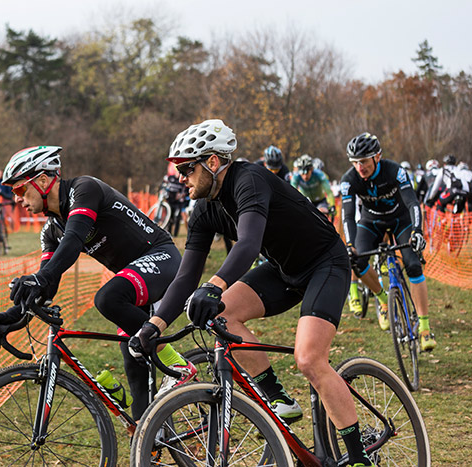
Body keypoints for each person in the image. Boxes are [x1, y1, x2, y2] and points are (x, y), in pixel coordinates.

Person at [128, 119, 376, 467]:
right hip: (283, 268)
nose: (181, 177)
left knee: (308, 359)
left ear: (213, 162)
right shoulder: (202, 210)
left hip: (325, 262)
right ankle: (278, 397)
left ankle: (359, 458)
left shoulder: (250, 180)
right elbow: (186, 276)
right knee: (221, 313)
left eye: (187, 168)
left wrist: (214, 286)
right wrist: (152, 327)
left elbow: (248, 244)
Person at [0, 146, 194, 421]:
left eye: (21, 190)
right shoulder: (51, 230)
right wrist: (11, 317)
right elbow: (48, 282)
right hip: (134, 276)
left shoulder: (84, 189)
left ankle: (179, 365)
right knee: (134, 363)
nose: (18, 199)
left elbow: (74, 240)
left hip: (160, 257)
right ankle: (149, 445)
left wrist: (40, 278)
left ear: (44, 180)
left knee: (108, 299)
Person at [341, 132, 436, 352]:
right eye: (354, 162)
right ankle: (383, 300)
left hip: (400, 220)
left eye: (363, 161)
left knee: (413, 265)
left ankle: (424, 327)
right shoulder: (349, 179)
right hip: (370, 222)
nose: (359, 167)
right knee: (357, 260)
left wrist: (418, 231)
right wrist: (349, 244)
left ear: (377, 156)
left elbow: (413, 203)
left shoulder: (395, 171)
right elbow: (347, 215)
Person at [290, 154, 336, 219]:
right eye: (302, 173)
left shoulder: (319, 174)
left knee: (322, 215)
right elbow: (292, 193)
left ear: (311, 169)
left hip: (320, 201)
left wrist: (332, 205)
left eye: (307, 173)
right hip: (306, 202)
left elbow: (329, 192)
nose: (305, 176)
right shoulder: (296, 177)